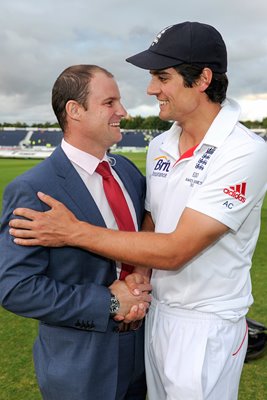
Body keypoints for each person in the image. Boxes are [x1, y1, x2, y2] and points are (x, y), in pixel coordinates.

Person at [8, 22, 267, 400]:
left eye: (162, 77)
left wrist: (73, 231)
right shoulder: (160, 145)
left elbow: (177, 248)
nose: (150, 90)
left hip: (205, 326)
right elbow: (152, 220)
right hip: (152, 316)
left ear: (202, 79)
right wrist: (136, 280)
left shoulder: (244, 151)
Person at [0, 64, 152, 400]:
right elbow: (15, 288)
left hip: (145, 351)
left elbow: (144, 234)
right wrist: (109, 301)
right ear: (75, 110)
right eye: (109, 102)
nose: (123, 112)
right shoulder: (33, 189)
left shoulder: (127, 171)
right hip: (82, 365)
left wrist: (140, 276)